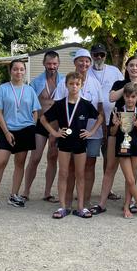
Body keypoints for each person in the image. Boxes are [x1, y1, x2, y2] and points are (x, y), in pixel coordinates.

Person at [94, 55, 137, 214]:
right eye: (131, 65)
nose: (134, 68)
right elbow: (111, 97)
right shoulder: (119, 83)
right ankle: (102, 203)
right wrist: (129, 86)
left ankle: (130, 203)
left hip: (135, 128)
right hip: (117, 127)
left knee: (131, 172)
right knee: (110, 167)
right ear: (126, 68)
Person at [0, 59, 41, 211]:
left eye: (22, 69)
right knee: (0, 162)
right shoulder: (2, 89)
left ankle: (14, 195)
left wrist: (32, 126)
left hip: (25, 130)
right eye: (15, 69)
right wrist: (7, 132)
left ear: (25, 71)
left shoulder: (29, 90)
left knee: (20, 163)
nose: (19, 72)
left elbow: (36, 111)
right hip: (6, 129)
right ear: (10, 71)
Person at [41, 72, 101, 219]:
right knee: (63, 174)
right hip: (64, 144)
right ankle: (62, 206)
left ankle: (80, 207)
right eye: (71, 84)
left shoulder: (86, 104)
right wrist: (54, 133)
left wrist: (91, 132)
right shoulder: (60, 104)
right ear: (66, 85)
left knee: (80, 175)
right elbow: (43, 118)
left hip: (80, 143)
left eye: (77, 84)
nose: (74, 87)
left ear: (81, 85)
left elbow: (100, 117)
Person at [50, 49, 104, 209]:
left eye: (87, 61)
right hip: (68, 134)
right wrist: (54, 134)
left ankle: (84, 201)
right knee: (69, 169)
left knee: (89, 165)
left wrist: (99, 131)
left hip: (90, 135)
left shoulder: (95, 83)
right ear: (75, 63)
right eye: (80, 60)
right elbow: (57, 109)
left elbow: (100, 108)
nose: (84, 64)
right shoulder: (64, 83)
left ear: (90, 63)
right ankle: (66, 202)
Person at [22, 50, 64, 203]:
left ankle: (47, 192)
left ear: (58, 64)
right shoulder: (36, 82)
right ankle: (26, 191)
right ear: (44, 64)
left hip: (58, 125)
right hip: (41, 124)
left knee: (53, 158)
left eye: (54, 63)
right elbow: (30, 105)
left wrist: (57, 129)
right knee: (35, 157)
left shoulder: (64, 81)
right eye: (49, 63)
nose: (52, 66)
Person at [89, 43, 124, 201]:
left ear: (105, 56)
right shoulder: (86, 71)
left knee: (109, 159)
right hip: (91, 123)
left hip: (112, 121)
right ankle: (85, 190)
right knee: (90, 159)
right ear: (91, 55)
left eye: (101, 55)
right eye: (96, 54)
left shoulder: (114, 71)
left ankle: (107, 190)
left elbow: (123, 91)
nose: (98, 58)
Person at [109, 83, 137, 218]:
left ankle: (126, 206)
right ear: (124, 97)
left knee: (130, 179)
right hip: (123, 146)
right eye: (127, 97)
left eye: (133, 97)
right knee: (130, 179)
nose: (130, 100)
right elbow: (113, 133)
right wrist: (115, 125)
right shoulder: (118, 110)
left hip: (136, 146)